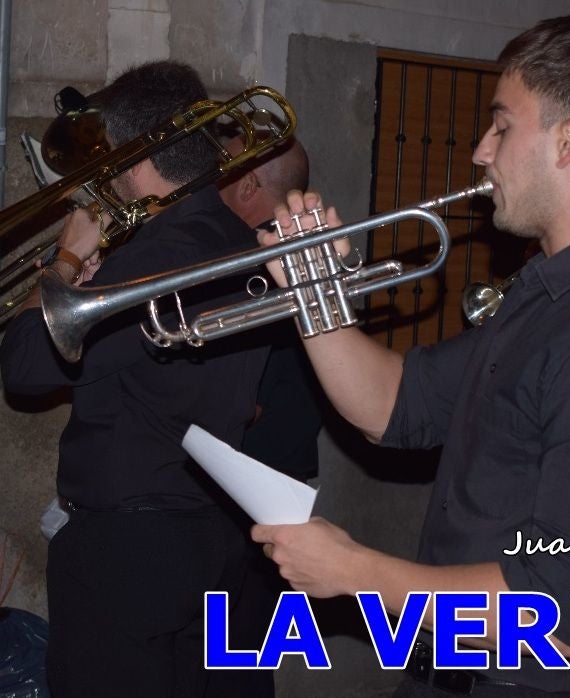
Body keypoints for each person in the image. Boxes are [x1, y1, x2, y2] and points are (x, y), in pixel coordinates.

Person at [252, 15, 570, 696]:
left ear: (568, 141)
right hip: (455, 667)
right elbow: (394, 404)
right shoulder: (553, 291)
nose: (480, 150)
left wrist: (358, 572)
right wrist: (312, 293)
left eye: (502, 126)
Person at [0, 61, 270, 697]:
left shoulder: (155, 258)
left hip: (129, 551)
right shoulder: (236, 240)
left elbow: (27, 367)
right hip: (211, 535)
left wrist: (65, 262)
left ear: (130, 155)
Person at [214, 135, 323, 697]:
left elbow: (241, 399)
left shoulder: (256, 263)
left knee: (229, 660)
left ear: (249, 184)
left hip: (247, 487)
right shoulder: (308, 255)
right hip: (277, 482)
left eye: (221, 168)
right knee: (245, 657)